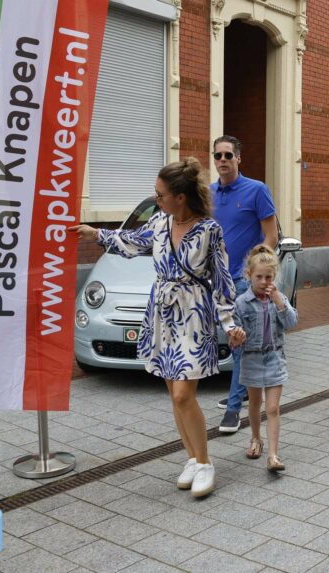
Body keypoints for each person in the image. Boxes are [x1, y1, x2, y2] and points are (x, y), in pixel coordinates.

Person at [69, 158, 246, 498]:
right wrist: (96, 233)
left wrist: (230, 324)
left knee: (184, 394)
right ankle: (192, 458)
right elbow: (131, 241)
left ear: (180, 196)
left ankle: (206, 463)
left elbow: (223, 281)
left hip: (193, 314)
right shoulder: (160, 224)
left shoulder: (210, 230)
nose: (157, 198)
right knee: (173, 395)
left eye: (160, 194)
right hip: (161, 313)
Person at [212, 135, 279, 434]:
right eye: (218, 156)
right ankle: (238, 393)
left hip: (241, 283)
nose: (223, 160)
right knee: (224, 341)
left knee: (241, 345)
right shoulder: (209, 193)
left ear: (239, 158)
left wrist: (253, 276)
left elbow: (271, 238)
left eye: (228, 155)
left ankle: (234, 410)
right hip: (214, 283)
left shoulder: (257, 190)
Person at [238, 245, 298, 472]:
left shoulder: (278, 298)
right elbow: (234, 332)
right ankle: (256, 438)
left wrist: (279, 301)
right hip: (251, 359)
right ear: (249, 276)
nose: (264, 281)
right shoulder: (242, 302)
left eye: (269, 277)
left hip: (274, 358)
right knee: (255, 403)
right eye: (259, 277)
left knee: (272, 408)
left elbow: (292, 323)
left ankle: (273, 455)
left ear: (275, 277)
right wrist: (236, 336)